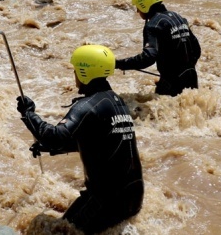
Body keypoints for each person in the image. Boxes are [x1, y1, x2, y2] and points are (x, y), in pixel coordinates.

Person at [16, 45, 144, 234]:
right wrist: (48, 148)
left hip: (105, 200)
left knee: (60, 231)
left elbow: (54, 136)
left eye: (76, 69)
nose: (74, 74)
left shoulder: (87, 105)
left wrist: (29, 114)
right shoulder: (116, 101)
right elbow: (98, 141)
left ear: (85, 71)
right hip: (133, 195)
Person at [115, 0, 201, 96]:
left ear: (144, 5)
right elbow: (196, 50)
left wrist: (118, 64)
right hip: (192, 78)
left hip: (171, 83)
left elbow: (148, 58)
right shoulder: (178, 17)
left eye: (138, 7)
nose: (137, 11)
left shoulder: (153, 25)